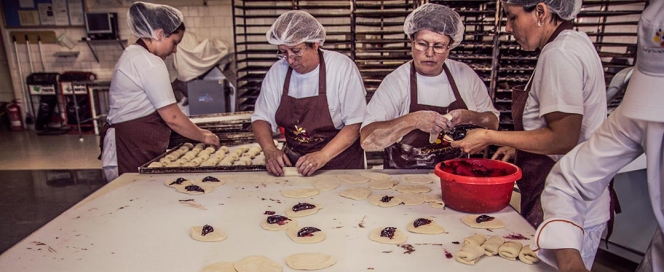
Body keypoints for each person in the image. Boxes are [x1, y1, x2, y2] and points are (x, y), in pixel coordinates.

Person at [532, 1, 664, 272]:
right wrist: (571, 262)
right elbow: (570, 179)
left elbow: (562, 136)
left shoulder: (562, 53)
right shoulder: (645, 111)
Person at [451, 0, 610, 258]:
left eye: (512, 17)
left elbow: (563, 138)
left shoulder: (559, 53)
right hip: (572, 197)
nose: (507, 28)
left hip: (568, 205)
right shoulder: (575, 42)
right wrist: (516, 144)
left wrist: (488, 135)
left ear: (540, 12)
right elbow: (556, 127)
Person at [360, 3, 499, 169]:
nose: (430, 53)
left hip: (456, 176)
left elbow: (493, 123)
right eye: (422, 44)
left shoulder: (465, 75)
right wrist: (413, 120)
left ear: (450, 47)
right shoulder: (397, 82)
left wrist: (469, 117)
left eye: (438, 46)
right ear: (411, 41)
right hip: (403, 180)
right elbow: (367, 140)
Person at [101, 2, 220, 181]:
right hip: (129, 148)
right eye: (174, 43)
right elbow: (172, 118)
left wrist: (196, 130)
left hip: (129, 144)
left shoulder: (134, 55)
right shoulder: (149, 63)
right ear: (159, 34)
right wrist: (204, 136)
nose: (174, 50)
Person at [251, 11, 367, 177]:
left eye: (296, 51)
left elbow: (355, 124)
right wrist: (269, 149)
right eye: (283, 52)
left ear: (315, 44)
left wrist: (323, 155)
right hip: (296, 166)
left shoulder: (341, 68)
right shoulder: (278, 71)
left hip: (341, 164)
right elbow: (260, 118)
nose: (290, 60)